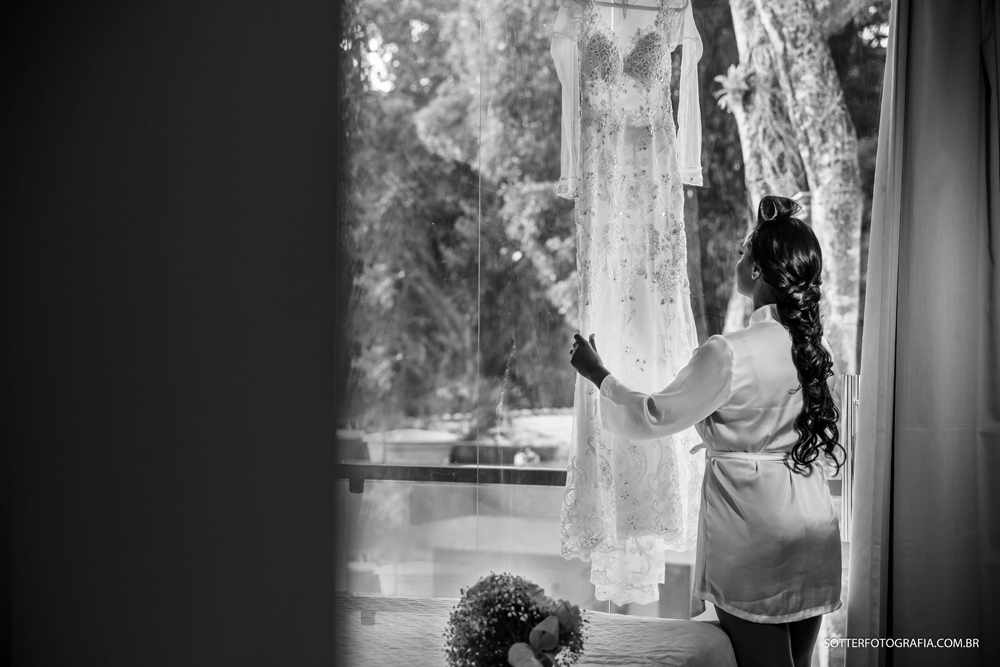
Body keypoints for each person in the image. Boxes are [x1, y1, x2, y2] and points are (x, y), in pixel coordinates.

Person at [569, 195, 844, 667]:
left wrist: (599, 375)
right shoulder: (811, 351)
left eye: (742, 253)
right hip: (812, 525)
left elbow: (656, 414)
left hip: (753, 528)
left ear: (758, 272)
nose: (737, 260)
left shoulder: (728, 352)